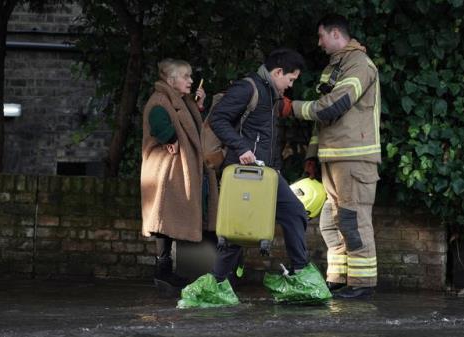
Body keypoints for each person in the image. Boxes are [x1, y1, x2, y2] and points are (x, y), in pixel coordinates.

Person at [290, 14, 381, 298]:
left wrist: (290, 108)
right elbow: (324, 121)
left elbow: (333, 106)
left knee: (353, 220)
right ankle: (339, 278)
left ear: (336, 34)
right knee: (332, 222)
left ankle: (362, 284)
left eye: (321, 37)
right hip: (334, 157)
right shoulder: (337, 66)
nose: (319, 43)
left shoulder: (359, 65)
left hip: (354, 158)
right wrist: (313, 155)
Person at [209, 48, 310, 283]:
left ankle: (300, 273)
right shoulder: (249, 88)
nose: (291, 85)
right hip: (245, 173)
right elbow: (218, 118)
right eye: (291, 79)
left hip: (265, 174)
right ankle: (216, 282)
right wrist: (241, 147)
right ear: (277, 72)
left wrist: (275, 169)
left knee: (293, 213)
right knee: (238, 232)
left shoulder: (270, 92)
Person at [140, 58, 219, 294]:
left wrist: (199, 105)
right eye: (186, 77)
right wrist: (170, 139)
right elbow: (160, 125)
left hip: (175, 171)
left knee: (170, 219)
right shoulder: (160, 101)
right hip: (167, 172)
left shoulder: (177, 101)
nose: (191, 81)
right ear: (171, 80)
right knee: (165, 220)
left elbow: (189, 124)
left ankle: (165, 274)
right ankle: (162, 272)